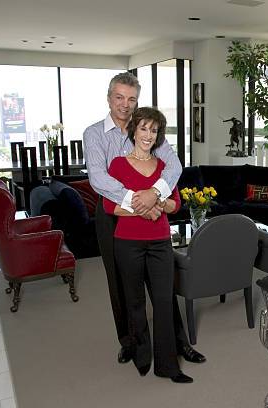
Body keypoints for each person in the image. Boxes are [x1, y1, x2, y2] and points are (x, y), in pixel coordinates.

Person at [83, 72, 205, 367]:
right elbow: (99, 179)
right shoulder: (94, 134)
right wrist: (139, 203)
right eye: (119, 97)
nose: (125, 104)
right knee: (121, 283)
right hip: (113, 213)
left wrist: (154, 193)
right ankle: (130, 342)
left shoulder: (148, 130)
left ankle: (178, 342)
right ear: (109, 97)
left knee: (163, 284)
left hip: (153, 208)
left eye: (131, 98)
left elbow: (173, 167)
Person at [104, 107, 191, 383]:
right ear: (134, 130)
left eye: (153, 130)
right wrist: (143, 209)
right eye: (143, 128)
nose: (148, 134)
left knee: (164, 301)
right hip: (127, 243)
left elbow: (175, 204)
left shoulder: (165, 168)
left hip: (160, 243)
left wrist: (157, 201)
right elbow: (110, 206)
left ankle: (168, 365)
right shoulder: (117, 165)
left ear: (158, 136)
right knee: (135, 302)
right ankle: (142, 356)